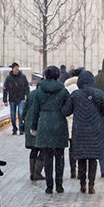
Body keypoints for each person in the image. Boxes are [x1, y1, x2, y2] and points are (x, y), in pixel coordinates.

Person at [62, 69, 104, 193]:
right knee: (93, 158)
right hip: (95, 131)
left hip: (79, 131)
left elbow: (66, 111)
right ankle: (91, 185)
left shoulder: (75, 95)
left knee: (82, 159)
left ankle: (82, 184)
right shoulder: (99, 94)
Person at [23, 66, 71, 194]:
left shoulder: (39, 91)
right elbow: (69, 107)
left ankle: (49, 186)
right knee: (60, 157)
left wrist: (33, 127)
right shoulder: (63, 90)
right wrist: (62, 112)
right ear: (58, 76)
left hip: (44, 124)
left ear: (45, 76)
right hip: (59, 123)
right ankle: (59, 185)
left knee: (47, 157)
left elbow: (35, 111)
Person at [2, 63, 29, 135]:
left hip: (21, 98)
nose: (17, 69)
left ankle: (21, 129)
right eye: (15, 68)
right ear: (12, 69)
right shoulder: (8, 78)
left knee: (21, 113)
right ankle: (14, 129)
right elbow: (5, 89)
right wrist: (5, 100)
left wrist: (28, 97)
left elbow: (26, 87)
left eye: (17, 67)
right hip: (12, 99)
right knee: (12, 115)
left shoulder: (23, 77)